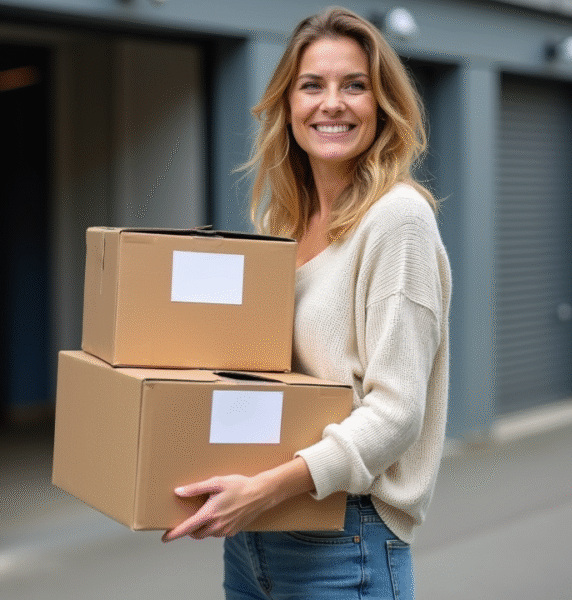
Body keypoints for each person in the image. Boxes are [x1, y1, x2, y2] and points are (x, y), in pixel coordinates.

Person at [161, 7, 452, 599]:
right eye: (312, 85)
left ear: (383, 104)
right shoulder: (282, 223)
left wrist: (268, 487)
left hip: (347, 540)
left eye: (355, 86)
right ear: (287, 104)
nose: (332, 103)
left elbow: (397, 415)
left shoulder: (398, 222)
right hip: (257, 537)